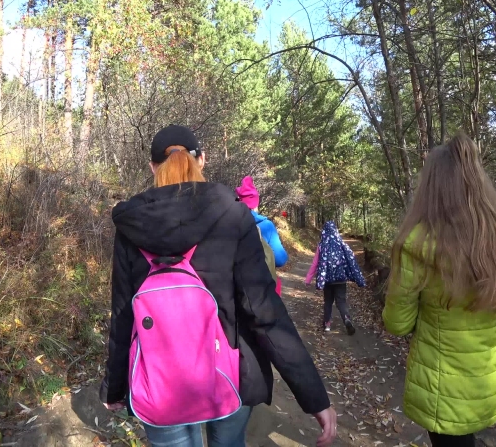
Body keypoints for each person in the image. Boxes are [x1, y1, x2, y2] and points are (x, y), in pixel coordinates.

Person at [99, 124, 337, 447]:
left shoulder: (131, 227)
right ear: (203, 160)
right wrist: (313, 396)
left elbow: (123, 316)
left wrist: (114, 387)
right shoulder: (233, 216)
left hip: (158, 382)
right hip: (229, 374)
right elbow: (264, 311)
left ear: (152, 167)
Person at [382, 133, 496, 447]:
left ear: (431, 187)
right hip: (491, 384)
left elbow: (397, 324)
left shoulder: (417, 245)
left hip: (444, 392)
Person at [304, 221, 367, 334]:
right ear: (335, 231)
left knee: (328, 301)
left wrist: (308, 279)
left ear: (324, 231)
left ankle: (327, 325)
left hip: (327, 280)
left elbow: (315, 264)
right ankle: (347, 319)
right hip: (341, 278)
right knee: (341, 301)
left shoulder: (321, 245)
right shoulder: (341, 243)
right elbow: (350, 259)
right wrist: (356, 276)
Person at [235, 176, 288, 296]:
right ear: (255, 204)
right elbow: (280, 259)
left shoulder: (229, 223)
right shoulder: (267, 226)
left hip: (235, 290)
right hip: (262, 290)